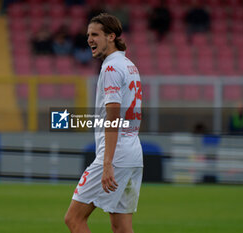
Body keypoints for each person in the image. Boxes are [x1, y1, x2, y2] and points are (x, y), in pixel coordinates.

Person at [65, 13, 143, 233]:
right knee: (121, 228)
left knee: (74, 219)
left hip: (115, 155)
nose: (89, 39)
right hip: (133, 153)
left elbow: (114, 116)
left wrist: (107, 162)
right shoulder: (129, 66)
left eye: (95, 34)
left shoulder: (110, 68)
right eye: (88, 35)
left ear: (111, 36)